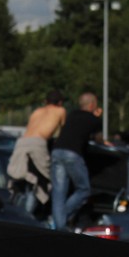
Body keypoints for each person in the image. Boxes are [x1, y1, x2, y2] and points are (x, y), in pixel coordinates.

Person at [7, 90, 66, 218]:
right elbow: (63, 132)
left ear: (46, 101)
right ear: (60, 102)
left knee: (24, 180)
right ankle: (28, 216)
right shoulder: (60, 111)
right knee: (41, 181)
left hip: (22, 142)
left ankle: (17, 211)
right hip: (38, 143)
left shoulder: (37, 111)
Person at [50, 91, 102, 231]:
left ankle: (57, 223)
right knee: (84, 189)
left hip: (56, 151)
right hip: (72, 154)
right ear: (92, 105)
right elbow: (99, 139)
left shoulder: (72, 115)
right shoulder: (93, 119)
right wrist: (97, 117)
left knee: (59, 192)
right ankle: (61, 220)